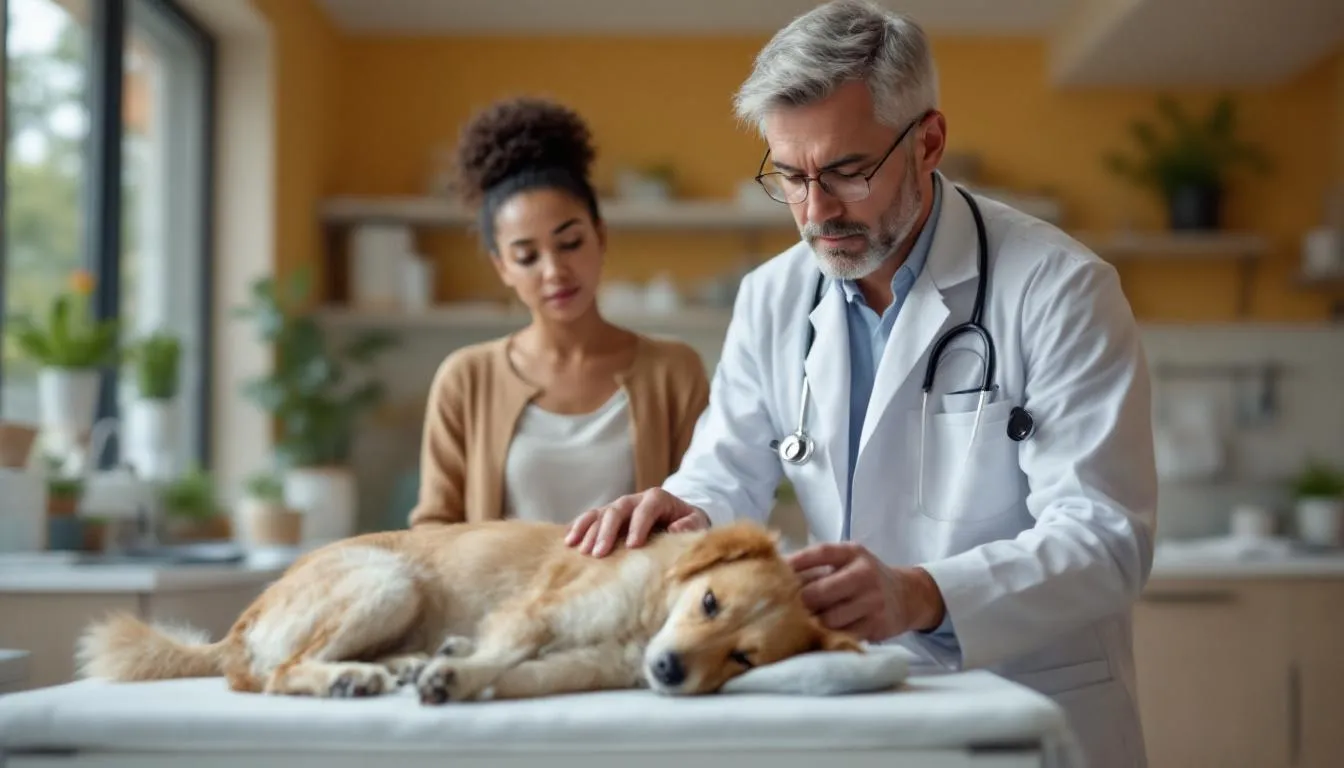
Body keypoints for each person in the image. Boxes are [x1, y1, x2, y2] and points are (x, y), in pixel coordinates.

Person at [563, 2, 1157, 765]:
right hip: (849, 706)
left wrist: (922, 593)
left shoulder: (1060, 289)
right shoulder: (772, 296)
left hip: (1025, 703)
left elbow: (1106, 539)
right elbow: (728, 471)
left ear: (929, 142)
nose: (815, 211)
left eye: (847, 171)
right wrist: (685, 509)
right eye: (789, 175)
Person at [407, 97, 711, 528]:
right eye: (527, 256)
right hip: (502, 596)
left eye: (570, 243)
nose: (554, 271)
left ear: (600, 237)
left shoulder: (674, 372)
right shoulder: (465, 379)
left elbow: (700, 510)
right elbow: (434, 530)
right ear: (502, 267)